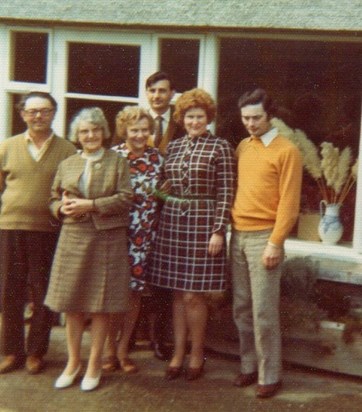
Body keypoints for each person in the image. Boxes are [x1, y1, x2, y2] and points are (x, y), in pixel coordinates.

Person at [147, 88, 235, 381]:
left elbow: (226, 192)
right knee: (176, 295)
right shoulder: (173, 147)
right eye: (189, 116)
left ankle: (197, 353)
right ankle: (177, 352)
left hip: (203, 224)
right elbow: (160, 187)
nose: (194, 122)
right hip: (173, 223)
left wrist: (218, 230)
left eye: (199, 116)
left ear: (208, 118)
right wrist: (161, 192)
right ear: (181, 118)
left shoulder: (220, 147)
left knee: (193, 297)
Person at [44, 107, 133, 391]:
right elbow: (53, 198)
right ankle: (73, 362)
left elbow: (126, 198)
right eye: (84, 131)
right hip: (73, 236)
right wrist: (61, 208)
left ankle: (94, 364)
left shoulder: (117, 162)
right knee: (72, 303)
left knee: (101, 304)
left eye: (95, 130)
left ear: (104, 132)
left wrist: (91, 205)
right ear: (77, 136)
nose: (90, 135)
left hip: (106, 239)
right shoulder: (67, 163)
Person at [231, 88, 303, 398]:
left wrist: (276, 242)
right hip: (238, 235)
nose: (250, 123)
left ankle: (270, 374)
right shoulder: (243, 147)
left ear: (269, 115)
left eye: (256, 118)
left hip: (265, 238)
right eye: (245, 118)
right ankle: (248, 366)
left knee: (263, 311)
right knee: (242, 308)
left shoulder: (287, 151)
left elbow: (289, 203)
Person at [0, 91, 76, 375]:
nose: (38, 116)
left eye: (44, 111)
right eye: (32, 111)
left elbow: (70, 190)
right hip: (10, 227)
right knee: (10, 291)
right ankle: (11, 351)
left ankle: (36, 352)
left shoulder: (67, 150)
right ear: (22, 115)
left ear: (54, 113)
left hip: (48, 229)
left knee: (43, 291)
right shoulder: (6, 147)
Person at [102, 106, 165, 374]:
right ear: (124, 130)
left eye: (143, 129)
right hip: (115, 234)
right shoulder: (113, 157)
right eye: (133, 130)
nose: (139, 135)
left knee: (134, 294)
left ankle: (123, 349)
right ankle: (107, 351)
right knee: (111, 293)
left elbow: (162, 195)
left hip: (143, 238)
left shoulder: (157, 159)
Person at [139, 71, 184, 361]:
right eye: (153, 90)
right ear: (147, 93)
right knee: (136, 274)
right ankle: (131, 335)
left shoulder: (181, 126)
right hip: (139, 211)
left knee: (163, 279)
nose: (158, 96)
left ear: (171, 94)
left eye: (163, 91)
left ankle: (159, 338)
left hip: (169, 210)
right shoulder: (136, 123)